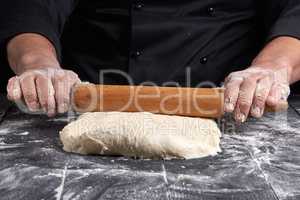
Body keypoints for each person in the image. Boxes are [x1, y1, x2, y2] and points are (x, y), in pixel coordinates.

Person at [1, 1, 300, 122]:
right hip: (88, 107)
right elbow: (31, 7)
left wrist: (273, 68)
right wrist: (38, 63)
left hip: (230, 109)